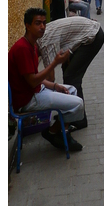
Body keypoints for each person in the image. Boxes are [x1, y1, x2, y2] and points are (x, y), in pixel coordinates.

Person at [8, 8, 84, 152]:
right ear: (27, 25)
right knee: (78, 104)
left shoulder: (32, 45)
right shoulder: (22, 49)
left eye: (44, 23)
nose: (42, 27)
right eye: (37, 23)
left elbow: (37, 78)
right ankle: (54, 131)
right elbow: (32, 82)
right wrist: (55, 63)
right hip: (28, 100)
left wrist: (55, 86)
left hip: (36, 91)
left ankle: (61, 132)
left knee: (71, 90)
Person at [37, 16, 104, 131]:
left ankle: (79, 120)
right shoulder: (40, 36)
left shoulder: (44, 43)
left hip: (93, 36)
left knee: (71, 77)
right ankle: (70, 112)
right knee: (68, 70)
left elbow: (51, 77)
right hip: (86, 33)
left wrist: (42, 94)